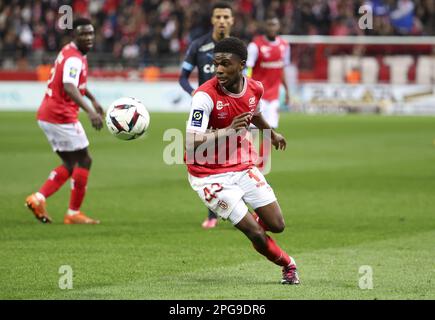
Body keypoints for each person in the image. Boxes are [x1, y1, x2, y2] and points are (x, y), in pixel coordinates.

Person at [185, 37, 300, 284]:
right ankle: (288, 265)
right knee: (255, 233)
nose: (219, 69)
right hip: (208, 175)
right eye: (216, 63)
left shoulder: (254, 88)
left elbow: (254, 112)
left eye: (226, 64)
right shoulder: (204, 96)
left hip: (240, 163)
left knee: (277, 224)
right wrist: (228, 130)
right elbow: (190, 141)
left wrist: (272, 133)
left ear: (242, 65)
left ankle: (257, 233)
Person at [25, 17, 103, 224]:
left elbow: (76, 83)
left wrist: (93, 99)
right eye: (83, 34)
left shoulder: (70, 51)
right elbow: (69, 86)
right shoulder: (75, 58)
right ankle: (73, 213)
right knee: (84, 160)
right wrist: (90, 111)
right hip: (60, 116)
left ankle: (38, 198)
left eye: (90, 33)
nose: (88, 38)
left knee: (70, 163)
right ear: (74, 35)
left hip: (47, 114)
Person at [179, 1, 234, 229]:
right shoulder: (198, 46)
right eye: (218, 16)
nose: (221, 20)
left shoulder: (239, 48)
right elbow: (183, 77)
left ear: (232, 21)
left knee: (235, 162)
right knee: (208, 164)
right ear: (212, 20)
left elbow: (247, 79)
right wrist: (196, 94)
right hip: (207, 113)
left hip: (232, 110)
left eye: (225, 17)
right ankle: (212, 215)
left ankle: (238, 209)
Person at [246, 15, 291, 173]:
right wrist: (247, 91)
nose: (272, 27)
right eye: (269, 24)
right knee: (251, 129)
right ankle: (246, 163)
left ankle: (261, 167)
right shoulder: (255, 45)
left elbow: (282, 70)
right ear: (265, 26)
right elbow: (248, 70)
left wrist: (287, 91)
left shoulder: (284, 45)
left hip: (274, 96)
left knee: (269, 131)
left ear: (278, 26)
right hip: (257, 95)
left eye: (275, 24)